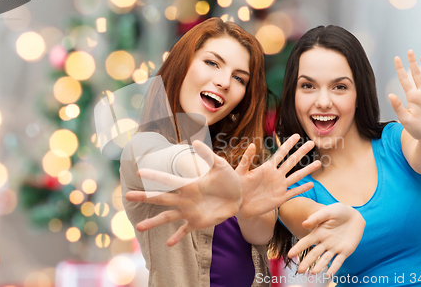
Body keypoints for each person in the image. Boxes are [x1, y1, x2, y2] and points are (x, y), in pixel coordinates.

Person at [120, 17, 320, 287]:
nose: (225, 82)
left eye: (239, 78)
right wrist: (219, 182)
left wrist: (243, 202)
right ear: (182, 64)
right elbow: (170, 161)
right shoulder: (142, 146)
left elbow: (260, 235)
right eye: (212, 63)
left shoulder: (245, 158)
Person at [269, 25, 421, 285]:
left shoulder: (394, 141)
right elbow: (308, 218)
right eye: (308, 86)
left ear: (359, 94)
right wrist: (338, 220)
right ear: (293, 95)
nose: (323, 101)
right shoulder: (294, 183)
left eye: (339, 87)